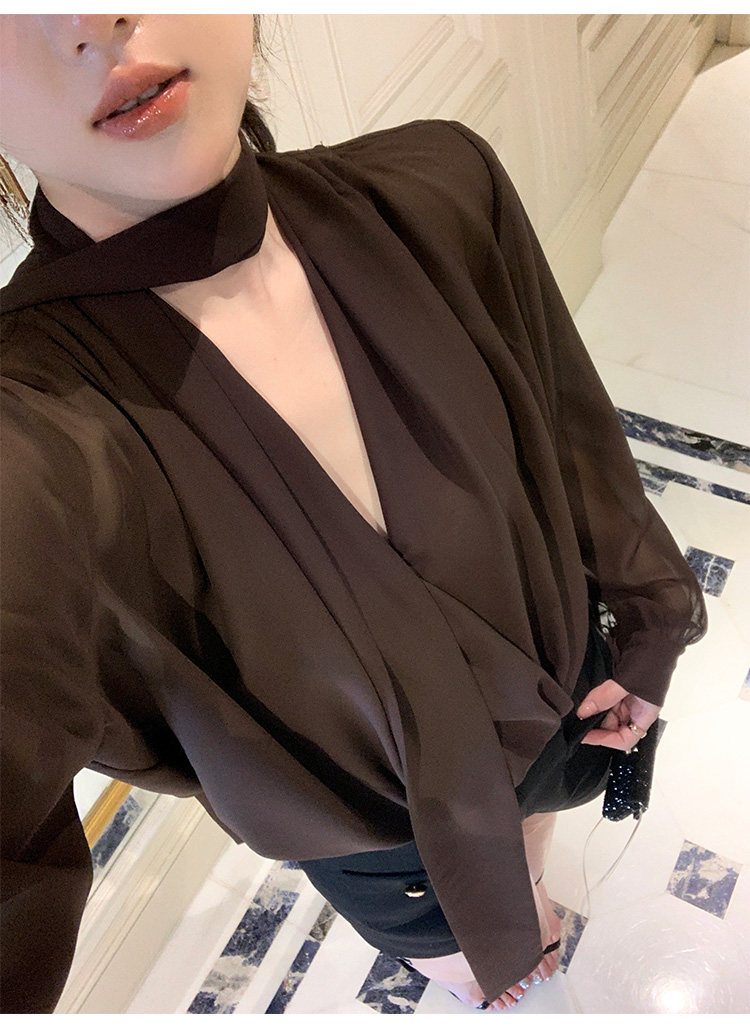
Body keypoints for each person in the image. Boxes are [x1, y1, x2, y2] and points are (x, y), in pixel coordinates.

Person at [0, 13, 708, 1015]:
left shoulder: (439, 184)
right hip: (389, 852)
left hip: (560, 719)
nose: (92, 16)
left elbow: (570, 431)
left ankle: (528, 886)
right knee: (469, 948)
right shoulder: (27, 425)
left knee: (529, 844)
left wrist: (649, 619)